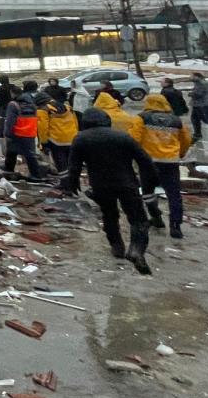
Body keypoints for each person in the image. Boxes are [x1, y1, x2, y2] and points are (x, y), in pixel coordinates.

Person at [65, 108, 159, 274]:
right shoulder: (122, 136)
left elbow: (74, 166)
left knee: (109, 215)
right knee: (138, 219)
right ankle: (136, 250)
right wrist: (150, 182)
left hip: (101, 185)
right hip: (127, 184)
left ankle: (117, 247)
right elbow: (145, 160)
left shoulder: (80, 138)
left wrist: (72, 184)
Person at [138, 93, 192, 239]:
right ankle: (176, 226)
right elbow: (186, 140)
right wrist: (180, 153)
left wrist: (135, 157)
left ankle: (156, 217)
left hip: (148, 161)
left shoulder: (142, 118)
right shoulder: (176, 120)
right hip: (170, 162)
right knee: (174, 194)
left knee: (148, 191)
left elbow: (134, 138)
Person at [2, 82, 44, 179]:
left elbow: (10, 121)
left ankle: (8, 169)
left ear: (13, 94)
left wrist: (7, 134)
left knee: (11, 152)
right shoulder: (32, 104)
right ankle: (35, 175)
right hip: (30, 133)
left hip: (17, 132)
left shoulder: (13, 104)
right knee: (30, 155)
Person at [38, 91, 79, 174]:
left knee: (61, 164)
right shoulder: (67, 107)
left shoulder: (43, 110)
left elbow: (42, 128)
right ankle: (74, 183)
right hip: (72, 138)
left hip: (56, 141)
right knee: (71, 163)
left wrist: (44, 142)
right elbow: (76, 122)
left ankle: (64, 183)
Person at [189, 72, 208, 140]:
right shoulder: (200, 82)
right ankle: (197, 134)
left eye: (192, 76)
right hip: (199, 104)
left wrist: (191, 94)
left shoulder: (201, 83)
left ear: (197, 77)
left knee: (204, 119)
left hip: (200, 104)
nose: (190, 77)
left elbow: (198, 94)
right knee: (195, 119)